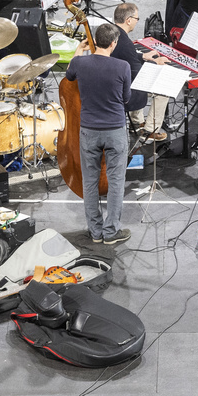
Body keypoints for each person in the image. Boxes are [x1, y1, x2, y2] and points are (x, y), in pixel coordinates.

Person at [64, 22, 133, 245]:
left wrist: (80, 50)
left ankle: (95, 232)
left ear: (95, 40)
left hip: (89, 131)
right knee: (115, 182)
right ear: (113, 43)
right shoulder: (122, 66)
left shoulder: (80, 63)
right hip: (114, 130)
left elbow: (69, 75)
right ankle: (111, 233)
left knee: (90, 181)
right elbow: (126, 99)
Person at [109, 2, 171, 142]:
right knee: (163, 90)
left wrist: (143, 56)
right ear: (128, 20)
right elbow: (139, 75)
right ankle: (149, 130)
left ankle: (136, 122)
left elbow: (122, 56)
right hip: (123, 92)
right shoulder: (125, 43)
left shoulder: (112, 32)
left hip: (113, 83)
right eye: (137, 19)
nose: (137, 22)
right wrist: (155, 63)